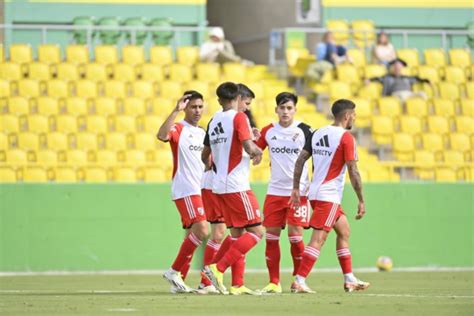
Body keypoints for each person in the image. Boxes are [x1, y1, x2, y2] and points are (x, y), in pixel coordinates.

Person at [289, 99, 370, 294]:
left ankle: (349, 278)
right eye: (354, 116)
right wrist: (361, 199)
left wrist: (296, 187)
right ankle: (299, 280)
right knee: (318, 238)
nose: (354, 119)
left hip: (316, 193)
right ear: (347, 116)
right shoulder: (346, 138)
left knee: (344, 231)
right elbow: (353, 171)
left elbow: (300, 160)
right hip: (329, 195)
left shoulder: (317, 133)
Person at [201, 82, 264, 295]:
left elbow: (205, 155)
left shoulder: (213, 120)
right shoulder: (239, 118)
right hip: (237, 184)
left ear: (219, 100)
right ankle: (216, 268)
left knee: (237, 233)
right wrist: (258, 151)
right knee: (257, 231)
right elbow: (248, 147)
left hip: (219, 186)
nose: (246, 107)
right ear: (237, 97)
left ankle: (237, 285)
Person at [255, 92, 313, 294]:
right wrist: (253, 150)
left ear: (295, 110)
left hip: (299, 193)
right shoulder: (268, 131)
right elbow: (255, 151)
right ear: (276, 110)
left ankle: (299, 281)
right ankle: (274, 282)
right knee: (271, 238)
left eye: (289, 108)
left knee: (295, 236)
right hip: (274, 192)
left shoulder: (306, 131)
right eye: (282, 108)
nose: (285, 111)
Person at [157, 91, 209, 293]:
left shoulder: (203, 133)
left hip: (201, 189)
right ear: (186, 108)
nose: (197, 111)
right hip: (186, 188)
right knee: (203, 231)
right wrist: (175, 110)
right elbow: (162, 135)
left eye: (199, 107)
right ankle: (174, 271)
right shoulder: (179, 128)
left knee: (191, 234)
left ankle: (179, 281)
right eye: (193, 107)